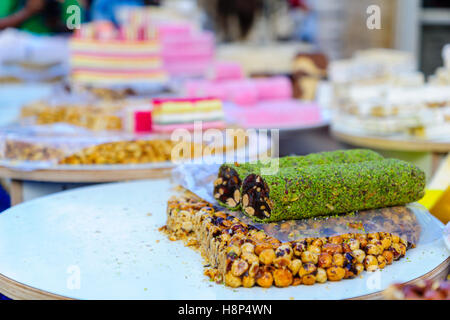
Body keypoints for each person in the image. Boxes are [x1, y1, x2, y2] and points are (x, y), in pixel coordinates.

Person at [0, 0, 85, 34]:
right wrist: (27, 12)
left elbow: (77, 30)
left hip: (55, 45)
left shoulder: (71, 3)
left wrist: (55, 21)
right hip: (20, 43)